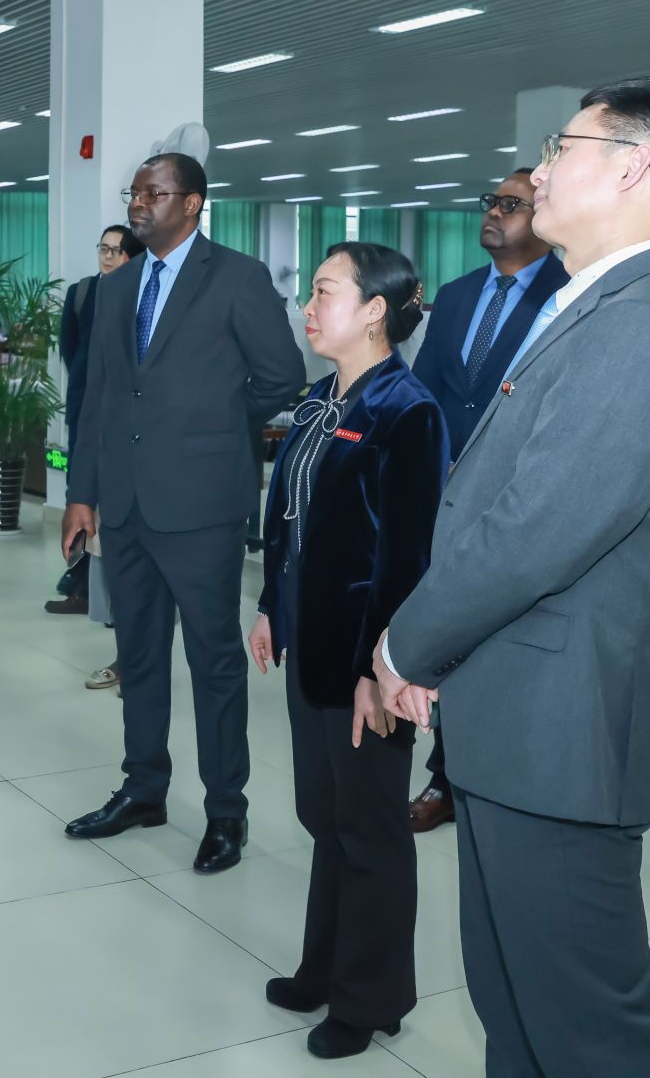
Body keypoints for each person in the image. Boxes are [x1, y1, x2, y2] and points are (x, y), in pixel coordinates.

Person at [375, 76, 650, 1078]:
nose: (537, 171)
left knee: (586, 1033)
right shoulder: (597, 304)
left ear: (629, 167)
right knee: (515, 1010)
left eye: (557, 147)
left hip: (565, 736)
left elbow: (534, 532)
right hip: (522, 722)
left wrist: (405, 643)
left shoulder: (642, 322)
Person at [59, 152, 305, 873]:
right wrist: (81, 493)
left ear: (193, 202)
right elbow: (98, 397)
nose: (139, 203)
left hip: (202, 504)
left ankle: (226, 809)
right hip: (126, 506)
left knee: (213, 661)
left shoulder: (236, 277)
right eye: (134, 193)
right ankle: (144, 788)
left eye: (154, 193)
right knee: (138, 655)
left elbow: (282, 375)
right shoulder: (116, 286)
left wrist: (215, 424)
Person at [248, 243, 446, 1060]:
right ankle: (324, 967)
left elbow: (408, 559)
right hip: (310, 640)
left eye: (324, 291)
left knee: (368, 827)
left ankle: (370, 998)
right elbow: (288, 518)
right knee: (324, 816)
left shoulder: (407, 410)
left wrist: (381, 670)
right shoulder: (317, 399)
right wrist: (271, 605)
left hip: (365, 659)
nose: (308, 304)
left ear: (374, 311)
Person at [403, 168, 569, 833]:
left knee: (494, 643)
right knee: (448, 633)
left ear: (544, 217)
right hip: (444, 496)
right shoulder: (457, 293)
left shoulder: (569, 294)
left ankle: (478, 774)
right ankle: (447, 776)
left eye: (512, 204)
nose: (494, 213)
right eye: (491, 202)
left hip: (516, 497)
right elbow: (428, 392)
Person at [48, 224, 142, 628]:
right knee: (84, 492)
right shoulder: (83, 293)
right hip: (86, 409)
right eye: (103, 248)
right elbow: (70, 348)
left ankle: (110, 596)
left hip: (124, 419)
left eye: (115, 250)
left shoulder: (141, 295)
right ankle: (82, 584)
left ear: (131, 256)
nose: (107, 256)